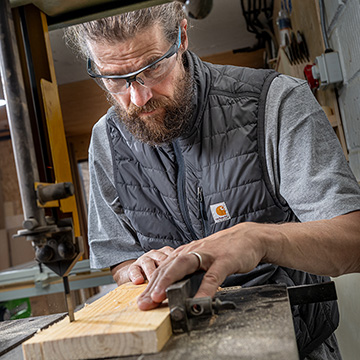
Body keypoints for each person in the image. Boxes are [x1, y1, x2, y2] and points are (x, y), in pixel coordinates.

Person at [65, 2, 360, 359]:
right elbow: (121, 259)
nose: (138, 97)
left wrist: (259, 239)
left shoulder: (276, 101)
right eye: (115, 79)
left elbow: (353, 241)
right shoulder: (106, 142)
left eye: (154, 67)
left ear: (182, 37)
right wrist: (136, 270)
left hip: (294, 347)